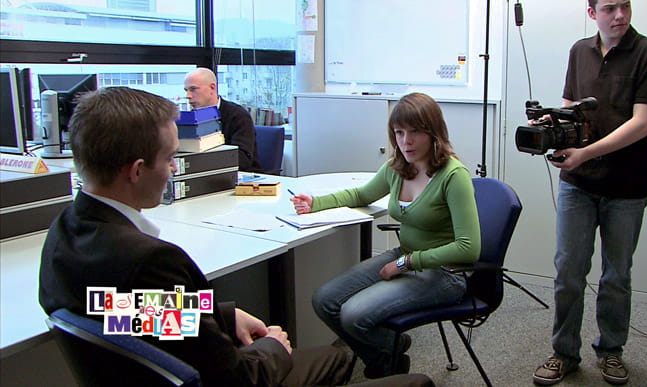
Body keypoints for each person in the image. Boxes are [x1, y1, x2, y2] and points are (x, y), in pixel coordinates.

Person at [39, 86, 434, 387]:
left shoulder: (65, 234)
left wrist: (223, 315)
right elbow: (235, 380)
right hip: (233, 378)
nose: (175, 169)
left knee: (337, 358)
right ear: (137, 170)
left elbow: (118, 311)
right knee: (415, 382)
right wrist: (273, 348)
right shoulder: (151, 260)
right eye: (170, 159)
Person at [532, 0, 647, 386]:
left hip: (625, 186)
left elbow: (642, 124)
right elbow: (573, 105)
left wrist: (585, 151)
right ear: (592, 12)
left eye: (626, 5)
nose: (620, 14)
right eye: (610, 7)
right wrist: (553, 122)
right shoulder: (579, 51)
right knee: (568, 270)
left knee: (616, 274)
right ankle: (563, 352)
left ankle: (610, 350)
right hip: (579, 185)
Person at [290, 92, 481, 379]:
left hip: (445, 273)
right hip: (406, 256)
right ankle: (390, 351)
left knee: (353, 315)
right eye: (399, 132)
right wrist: (315, 203)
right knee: (325, 300)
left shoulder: (454, 176)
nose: (406, 141)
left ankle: (386, 361)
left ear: (433, 132)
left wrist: (406, 263)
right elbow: (361, 194)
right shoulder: (397, 167)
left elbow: (468, 249)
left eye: (415, 131)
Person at [183, 67, 262, 172]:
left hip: (241, 177)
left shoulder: (238, 115)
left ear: (212, 88)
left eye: (193, 89)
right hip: (204, 175)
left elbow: (242, 160)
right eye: (186, 90)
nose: (188, 96)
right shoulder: (191, 120)